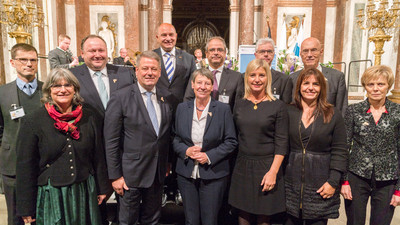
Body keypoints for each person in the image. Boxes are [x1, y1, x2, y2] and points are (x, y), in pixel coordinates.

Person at [15, 68, 112, 224]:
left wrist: (102, 188)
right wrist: (26, 207)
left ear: (75, 89)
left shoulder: (90, 116)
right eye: (56, 86)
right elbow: (25, 167)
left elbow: (98, 155)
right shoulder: (32, 121)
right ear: (48, 90)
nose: (62, 90)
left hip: (84, 190)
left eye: (68, 85)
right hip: (52, 193)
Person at [104, 51, 173, 225]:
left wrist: (167, 163)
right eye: (145, 68)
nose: (149, 73)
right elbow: (111, 141)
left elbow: (165, 136)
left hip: (156, 173)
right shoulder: (120, 97)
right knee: (127, 221)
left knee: (152, 220)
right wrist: (115, 176)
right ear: (136, 70)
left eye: (154, 69)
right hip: (129, 176)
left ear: (159, 72)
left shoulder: (166, 98)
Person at [173, 68, 237, 225]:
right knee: (190, 220)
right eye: (199, 82)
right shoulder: (182, 108)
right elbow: (175, 138)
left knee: (210, 220)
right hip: (186, 173)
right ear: (193, 85)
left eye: (207, 83)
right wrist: (186, 150)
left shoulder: (223, 109)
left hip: (213, 174)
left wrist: (209, 156)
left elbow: (231, 141)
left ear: (212, 86)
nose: (203, 86)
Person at [284, 67, 348, 225]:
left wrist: (333, 182)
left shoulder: (332, 113)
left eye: (316, 84)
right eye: (306, 83)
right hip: (290, 185)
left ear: (322, 88)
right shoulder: (288, 111)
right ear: (299, 86)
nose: (310, 87)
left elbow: (340, 151)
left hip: (320, 185)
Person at [229, 59, 288, 225]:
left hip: (267, 167)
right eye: (253, 75)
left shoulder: (278, 106)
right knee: (243, 218)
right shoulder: (239, 104)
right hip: (242, 166)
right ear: (247, 78)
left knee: (264, 219)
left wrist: (273, 172)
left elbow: (282, 143)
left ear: (267, 78)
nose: (257, 79)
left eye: (261, 75)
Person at [341, 65, 400, 225]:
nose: (375, 89)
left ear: (388, 86)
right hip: (357, 176)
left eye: (380, 84)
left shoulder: (398, 112)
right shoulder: (354, 111)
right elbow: (344, 147)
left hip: (387, 179)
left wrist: (399, 189)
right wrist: (344, 181)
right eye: (370, 84)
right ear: (365, 86)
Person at [0, 43, 43, 225]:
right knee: (16, 218)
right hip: (13, 167)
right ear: (12, 62)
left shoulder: (49, 90)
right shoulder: (2, 93)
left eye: (33, 60)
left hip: (42, 165)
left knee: (42, 215)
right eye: (23, 60)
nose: (29, 64)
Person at [70, 35, 134, 117]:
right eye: (92, 51)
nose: (97, 55)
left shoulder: (124, 73)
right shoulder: (72, 76)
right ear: (82, 54)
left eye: (101, 50)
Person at [289, 37, 348, 115]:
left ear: (321, 51)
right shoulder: (291, 79)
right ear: (300, 54)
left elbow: (342, 110)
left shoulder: (337, 77)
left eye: (313, 50)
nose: (309, 55)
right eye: (305, 51)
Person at [185, 36, 244, 111]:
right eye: (212, 50)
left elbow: (238, 107)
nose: (216, 53)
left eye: (220, 50)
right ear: (206, 54)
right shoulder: (197, 75)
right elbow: (188, 101)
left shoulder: (236, 77)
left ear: (225, 53)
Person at [153, 23, 197, 113]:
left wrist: (186, 106)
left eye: (171, 35)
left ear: (176, 36)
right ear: (157, 37)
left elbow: (193, 85)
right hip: (156, 108)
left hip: (182, 109)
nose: (168, 38)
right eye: (164, 35)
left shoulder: (189, 58)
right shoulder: (150, 57)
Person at [254, 38, 292, 103]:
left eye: (269, 51)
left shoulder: (284, 80)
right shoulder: (244, 77)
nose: (266, 54)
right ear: (256, 55)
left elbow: (286, 107)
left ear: (273, 54)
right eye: (262, 52)